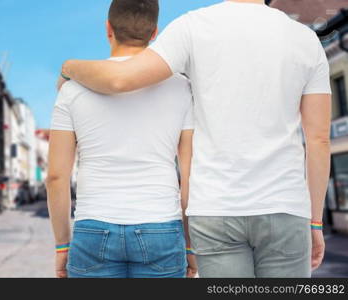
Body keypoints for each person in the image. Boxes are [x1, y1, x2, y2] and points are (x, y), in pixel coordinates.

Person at [59, 0, 332, 278]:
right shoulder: (305, 39)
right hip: (285, 207)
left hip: (216, 208)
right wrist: (315, 222)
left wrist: (69, 67)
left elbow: (120, 79)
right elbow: (319, 139)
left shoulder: (192, 26)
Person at [47, 0, 197, 278]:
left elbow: (56, 177)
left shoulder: (72, 90)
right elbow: (189, 177)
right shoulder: (181, 87)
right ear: (154, 33)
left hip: (93, 226)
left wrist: (62, 246)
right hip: (160, 225)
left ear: (108, 29)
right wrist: (190, 246)